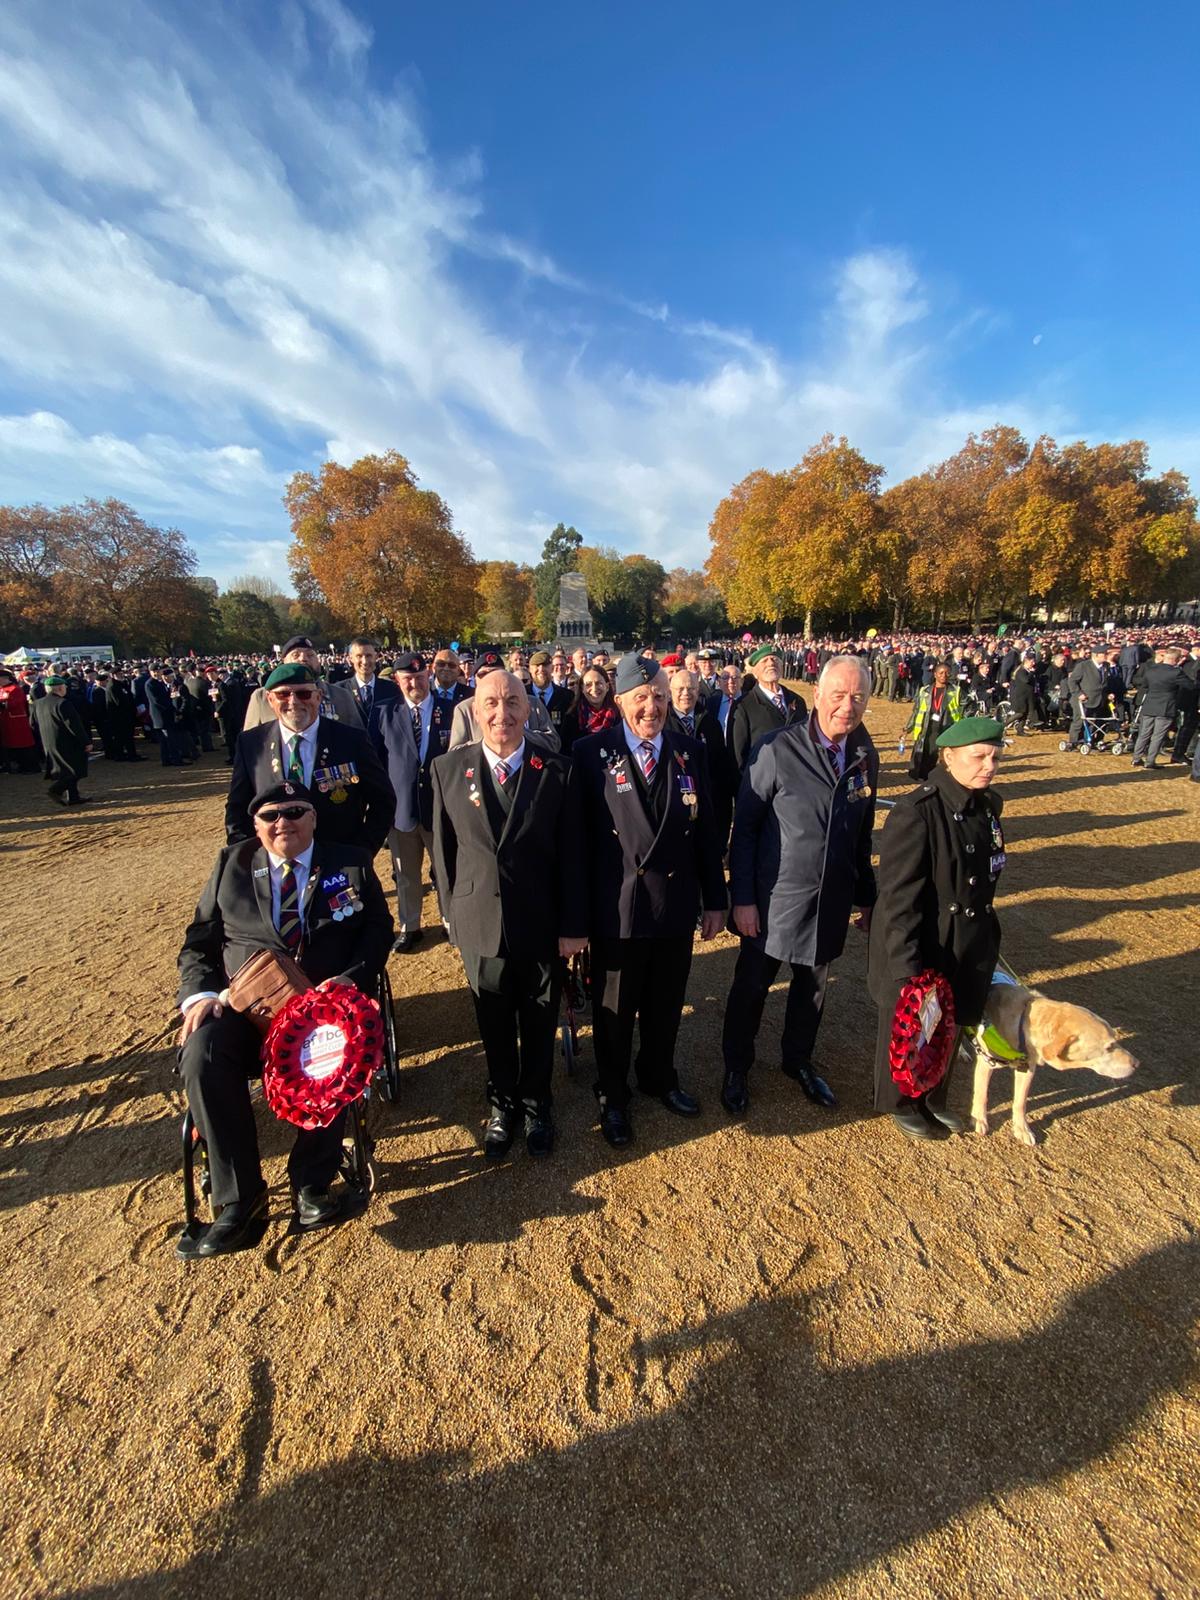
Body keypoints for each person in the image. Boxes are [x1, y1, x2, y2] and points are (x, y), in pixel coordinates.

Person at [175, 780, 393, 1257]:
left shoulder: (350, 862)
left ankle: (312, 1182)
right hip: (246, 1009)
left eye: (295, 812)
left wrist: (350, 981)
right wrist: (201, 996)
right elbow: (199, 942)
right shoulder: (231, 865)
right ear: (255, 826)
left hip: (323, 1006)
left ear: (313, 817)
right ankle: (239, 1200)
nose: (283, 823)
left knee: (334, 1045)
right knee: (202, 1052)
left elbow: (378, 929)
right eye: (270, 816)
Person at [432, 670, 587, 1159]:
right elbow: (443, 851)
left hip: (541, 920)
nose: (503, 713)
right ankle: (502, 1104)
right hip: (480, 919)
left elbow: (573, 856)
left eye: (513, 702)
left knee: (539, 1019)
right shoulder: (446, 770)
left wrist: (573, 925)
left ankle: (538, 1103)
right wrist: (451, 913)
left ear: (528, 708)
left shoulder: (557, 770)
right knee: (493, 1020)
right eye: (492, 703)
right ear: (475, 711)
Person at [573, 656, 727, 1147]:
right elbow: (575, 843)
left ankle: (658, 1076)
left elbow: (707, 832)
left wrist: (715, 899)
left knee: (665, 1003)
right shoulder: (589, 753)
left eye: (659, 696)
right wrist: (576, 918)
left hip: (675, 903)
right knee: (615, 1011)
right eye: (640, 697)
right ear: (620, 701)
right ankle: (612, 1092)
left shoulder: (690, 751)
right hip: (617, 908)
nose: (651, 707)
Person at [720, 657, 878, 1115]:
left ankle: (798, 1060)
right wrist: (742, 899)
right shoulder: (776, 748)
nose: (847, 706)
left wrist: (866, 896)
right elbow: (745, 830)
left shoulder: (865, 755)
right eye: (839, 695)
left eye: (858, 697)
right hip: (775, 900)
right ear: (817, 695)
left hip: (830, 899)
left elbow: (862, 833)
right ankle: (736, 1067)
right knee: (751, 988)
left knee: (812, 991)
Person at [868, 717, 1007, 1141]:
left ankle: (934, 1096)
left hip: (966, 938)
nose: (988, 766)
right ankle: (902, 1101)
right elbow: (898, 897)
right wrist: (905, 965)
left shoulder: (987, 806)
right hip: (927, 940)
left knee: (951, 1021)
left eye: (995, 757)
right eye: (978, 757)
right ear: (948, 757)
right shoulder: (918, 812)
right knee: (913, 1027)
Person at [226, 663, 394, 854]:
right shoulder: (252, 743)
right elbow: (237, 809)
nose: (294, 701)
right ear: (270, 699)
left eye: (303, 694)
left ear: (318, 697)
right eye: (283, 694)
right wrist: (248, 857)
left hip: (338, 858)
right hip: (275, 861)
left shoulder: (351, 739)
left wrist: (361, 852)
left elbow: (383, 801)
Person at [373, 651, 454, 953]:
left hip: (440, 809)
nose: (415, 684)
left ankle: (450, 922)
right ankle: (410, 927)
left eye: (420, 677)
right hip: (401, 810)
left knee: (445, 870)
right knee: (406, 874)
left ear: (428, 675)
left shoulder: (450, 710)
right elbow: (375, 763)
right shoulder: (383, 713)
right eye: (408, 679)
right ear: (397, 680)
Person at [667, 669, 733, 849]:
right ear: (670, 691)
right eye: (680, 689)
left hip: (707, 809)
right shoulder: (662, 724)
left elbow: (722, 773)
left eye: (691, 688)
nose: (686, 693)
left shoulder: (711, 723)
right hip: (673, 813)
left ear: (698, 691)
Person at [449, 653, 561, 751]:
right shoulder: (465, 709)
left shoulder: (532, 702)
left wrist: (518, 732)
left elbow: (553, 743)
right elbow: (455, 753)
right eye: (483, 674)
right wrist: (489, 739)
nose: (490, 678)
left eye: (496, 673)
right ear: (474, 679)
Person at [243, 638, 360, 730]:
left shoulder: (341, 696)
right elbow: (251, 744)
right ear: (283, 661)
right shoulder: (262, 698)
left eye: (310, 655)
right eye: (296, 655)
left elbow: (358, 739)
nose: (304, 659)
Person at [729, 644, 806, 773]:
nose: (771, 663)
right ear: (755, 673)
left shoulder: (797, 701)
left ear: (782, 667)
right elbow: (738, 756)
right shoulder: (743, 706)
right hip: (762, 779)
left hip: (797, 778)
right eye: (765, 661)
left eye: (775, 660)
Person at [29, 674, 91, 805]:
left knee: (65, 770)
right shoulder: (63, 703)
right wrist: (86, 742)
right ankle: (56, 790)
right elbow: (73, 725)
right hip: (67, 742)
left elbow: (33, 724)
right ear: (60, 688)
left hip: (48, 742)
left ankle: (73, 797)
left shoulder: (37, 703)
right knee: (76, 769)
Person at [901, 663, 960, 780]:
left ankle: (936, 776)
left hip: (946, 726)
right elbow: (916, 710)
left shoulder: (956, 691)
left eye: (947, 673)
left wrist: (962, 724)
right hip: (926, 725)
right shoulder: (925, 691)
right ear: (935, 674)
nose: (944, 675)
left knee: (940, 753)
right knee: (924, 749)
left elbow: (968, 707)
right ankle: (920, 775)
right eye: (941, 673)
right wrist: (908, 728)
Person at [1131, 647, 1187, 770]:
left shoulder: (1151, 670)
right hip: (1165, 707)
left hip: (1149, 704)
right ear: (1176, 660)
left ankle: (1136, 758)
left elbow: (1145, 685)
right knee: (1157, 736)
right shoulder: (1176, 672)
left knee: (1144, 733)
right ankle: (1150, 761)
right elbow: (1190, 685)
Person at [342, 636, 399, 735]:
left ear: (375, 657)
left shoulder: (392, 689)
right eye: (359, 656)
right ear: (350, 659)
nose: (364, 661)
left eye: (368, 656)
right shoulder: (340, 691)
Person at [560, 664, 619, 752]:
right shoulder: (572, 717)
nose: (594, 689)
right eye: (588, 684)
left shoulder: (619, 715)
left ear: (607, 686)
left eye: (599, 683)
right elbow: (566, 750)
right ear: (582, 689)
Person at [1065, 647, 1111, 749]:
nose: (1106, 656)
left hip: (1099, 699)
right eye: (1104, 654)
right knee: (1079, 721)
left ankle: (1088, 741)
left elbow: (1105, 683)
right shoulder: (1083, 666)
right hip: (1083, 699)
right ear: (1096, 655)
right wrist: (1078, 693)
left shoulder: (1106, 666)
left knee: (1092, 721)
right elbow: (1072, 681)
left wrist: (1108, 694)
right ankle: (1074, 741)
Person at [146, 664, 190, 766]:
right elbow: (157, 701)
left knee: (166, 741)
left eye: (158, 671)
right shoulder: (150, 684)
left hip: (165, 715)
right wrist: (172, 709)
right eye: (155, 672)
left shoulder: (158, 682)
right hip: (161, 716)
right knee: (169, 739)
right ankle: (175, 760)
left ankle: (167, 760)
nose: (157, 673)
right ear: (151, 672)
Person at [0, 667, 39, 773]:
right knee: (10, 745)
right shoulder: (2, 689)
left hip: (17, 721)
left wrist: (2, 704)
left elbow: (15, 703)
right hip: (6, 721)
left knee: (22, 744)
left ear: (4, 678)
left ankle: (29, 766)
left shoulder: (15, 689)